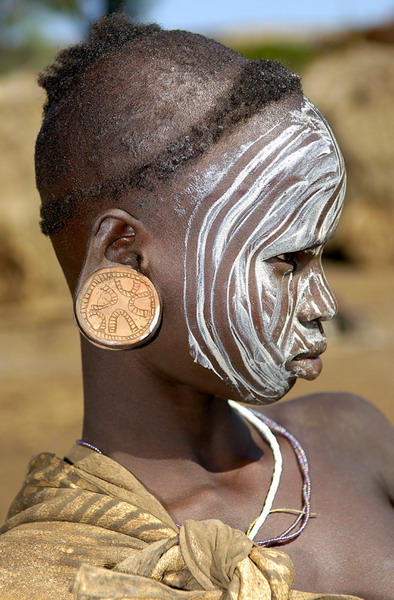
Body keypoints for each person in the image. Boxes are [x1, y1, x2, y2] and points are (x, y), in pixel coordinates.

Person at [0, 13, 392, 600]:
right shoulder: (45, 571)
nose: (323, 304)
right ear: (124, 257)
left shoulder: (351, 435)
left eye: (322, 258)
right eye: (285, 262)